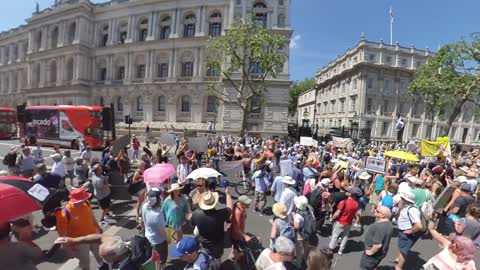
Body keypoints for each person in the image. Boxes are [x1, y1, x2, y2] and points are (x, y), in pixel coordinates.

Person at [56, 188, 103, 270]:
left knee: (101, 256)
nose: (85, 201)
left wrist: (98, 227)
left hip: (93, 236)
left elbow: (91, 216)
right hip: (79, 243)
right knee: (85, 264)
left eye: (85, 199)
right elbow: (62, 235)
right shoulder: (64, 213)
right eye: (83, 200)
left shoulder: (86, 203)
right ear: (75, 201)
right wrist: (68, 250)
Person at [190, 188, 233, 270]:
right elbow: (230, 208)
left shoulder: (196, 214)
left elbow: (192, 224)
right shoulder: (220, 214)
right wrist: (227, 194)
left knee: (206, 257)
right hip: (218, 242)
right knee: (218, 258)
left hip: (204, 242)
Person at [142, 188, 171, 268]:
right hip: (159, 242)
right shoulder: (157, 215)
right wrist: (168, 239)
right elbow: (162, 232)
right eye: (159, 197)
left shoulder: (144, 206)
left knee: (152, 258)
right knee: (161, 260)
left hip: (148, 237)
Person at [328, 186, 361, 255]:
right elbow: (357, 214)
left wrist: (332, 218)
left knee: (335, 235)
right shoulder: (356, 204)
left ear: (350, 194)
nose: (346, 192)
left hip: (340, 221)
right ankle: (341, 250)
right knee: (345, 236)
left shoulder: (343, 202)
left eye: (348, 191)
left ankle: (330, 249)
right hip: (349, 222)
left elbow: (337, 213)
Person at [394, 191, 423, 270]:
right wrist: (399, 208)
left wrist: (410, 231)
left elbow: (418, 225)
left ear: (406, 200)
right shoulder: (405, 206)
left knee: (404, 251)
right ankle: (398, 260)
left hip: (407, 233)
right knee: (402, 248)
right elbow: (397, 217)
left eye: (402, 198)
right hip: (402, 231)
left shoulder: (412, 210)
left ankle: (398, 267)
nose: (400, 198)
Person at [360, 206, 393, 270]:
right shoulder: (389, 224)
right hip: (380, 254)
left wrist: (369, 252)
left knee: (365, 267)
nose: (375, 210)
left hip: (373, 255)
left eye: (377, 211)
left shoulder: (379, 227)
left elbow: (378, 245)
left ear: (383, 215)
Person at [292, 196, 317, 266]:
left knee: (299, 249)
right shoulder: (309, 208)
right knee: (306, 246)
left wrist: (294, 217)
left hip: (300, 234)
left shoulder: (298, 215)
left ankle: (298, 263)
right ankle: (306, 259)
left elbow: (296, 226)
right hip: (308, 232)